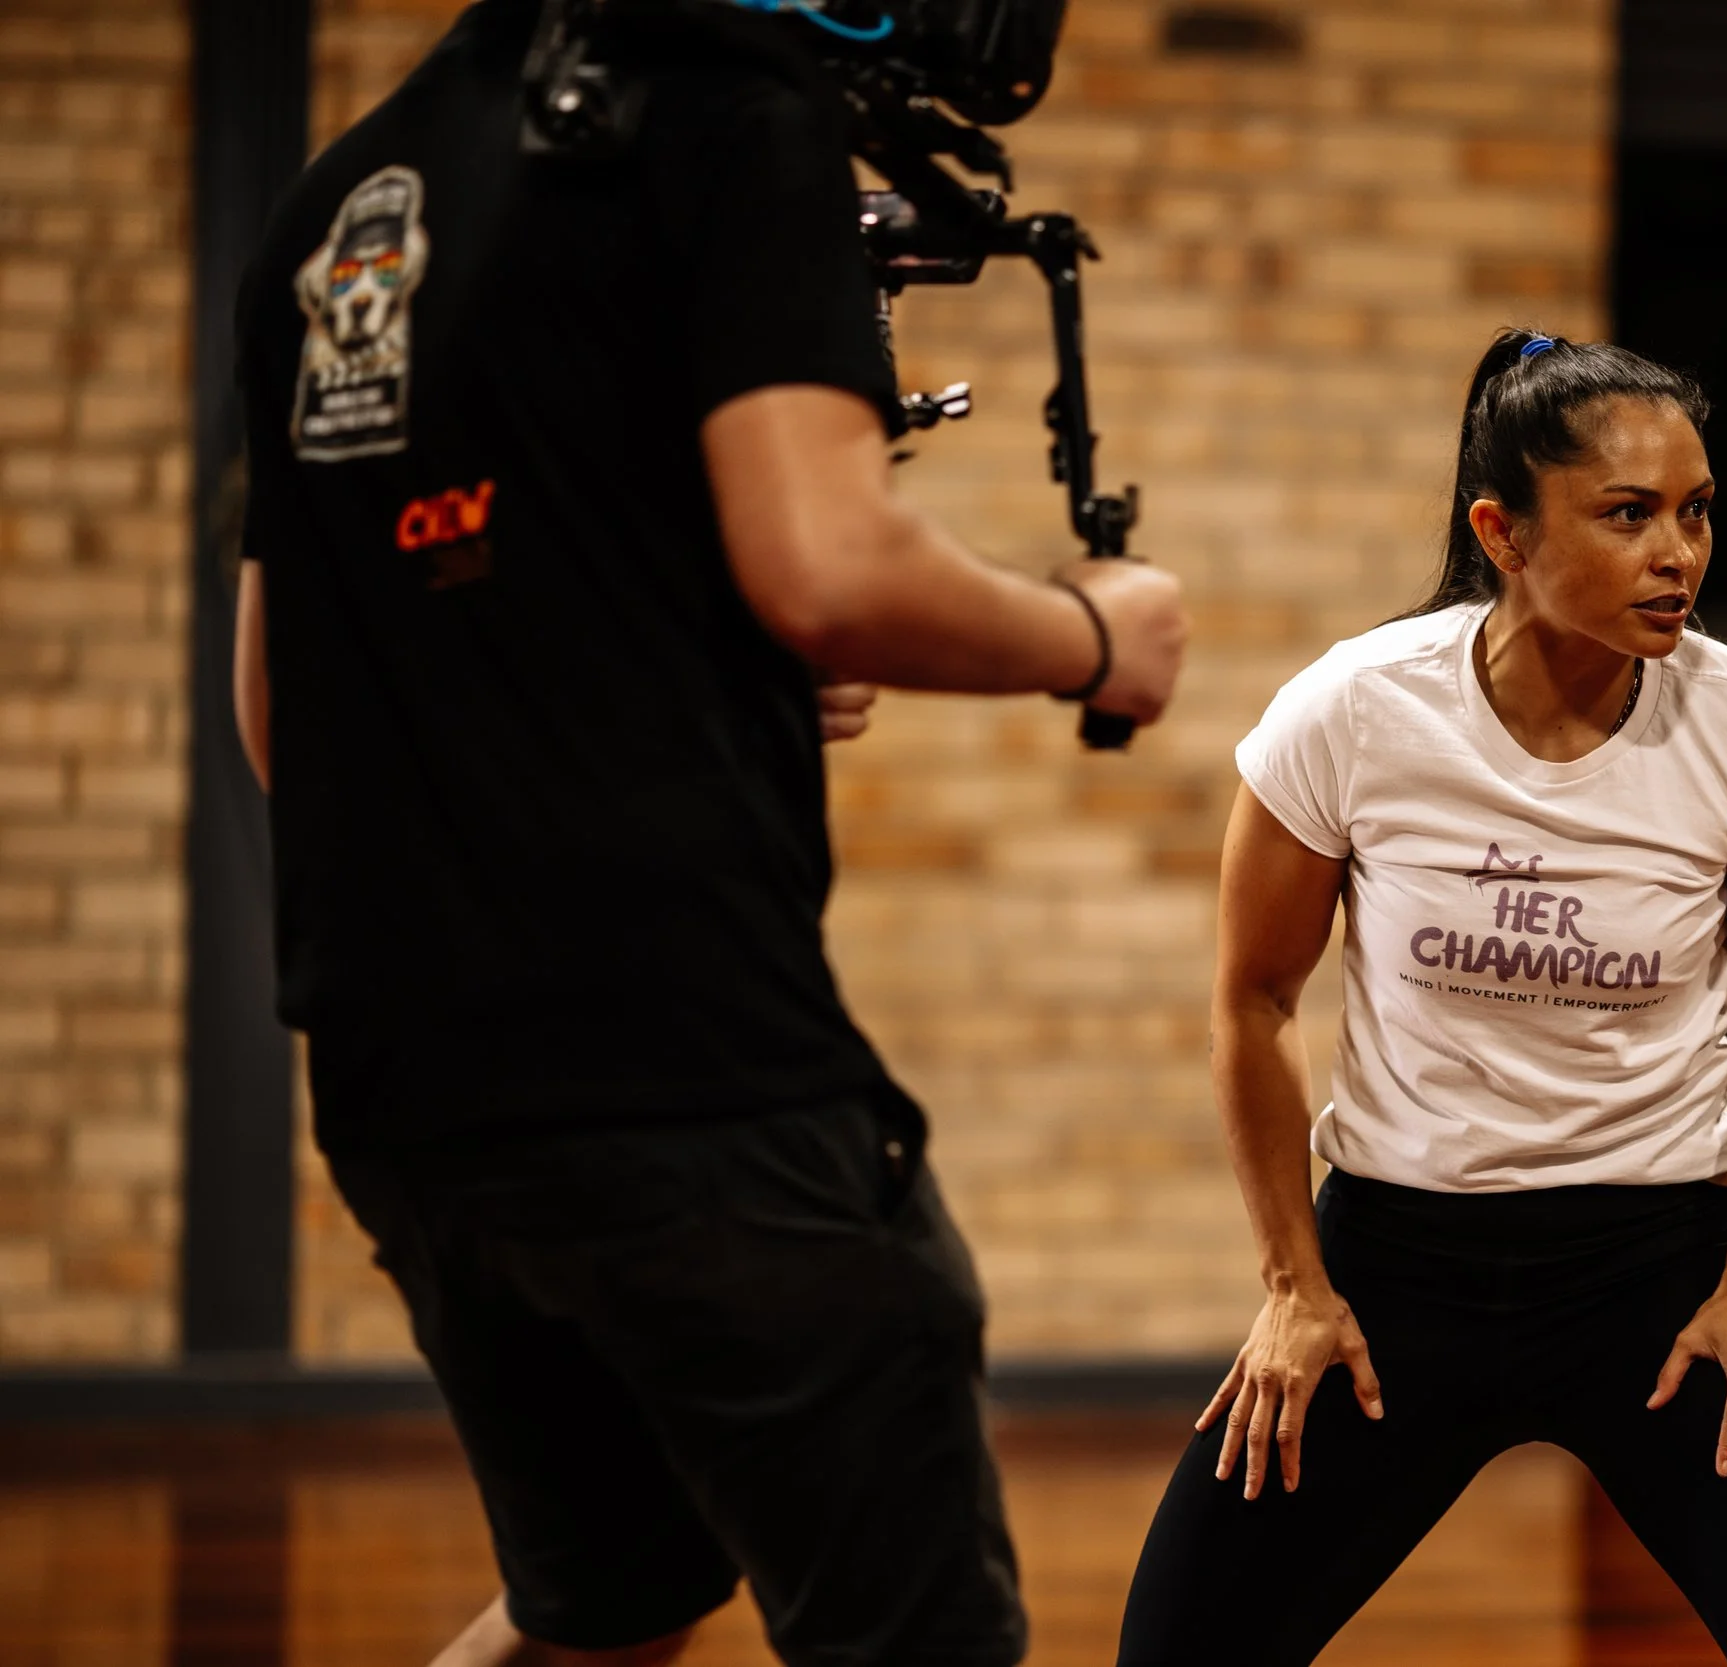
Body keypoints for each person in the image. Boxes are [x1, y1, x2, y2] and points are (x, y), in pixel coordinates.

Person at [229, 3, 1186, 1663]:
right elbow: (827, 565)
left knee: (604, 1615)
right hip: (688, 1078)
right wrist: (1093, 634)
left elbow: (280, 710)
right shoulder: (731, 114)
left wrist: (672, 673)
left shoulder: (335, 201)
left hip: (412, 1101)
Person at [1114, 330, 1727, 1667]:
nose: (1680, 554)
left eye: (1697, 512)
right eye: (1631, 513)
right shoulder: (1355, 712)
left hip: (1656, 1272)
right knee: (1180, 1648)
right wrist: (1294, 1285)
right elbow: (1250, 1001)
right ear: (1505, 530)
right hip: (1398, 1271)